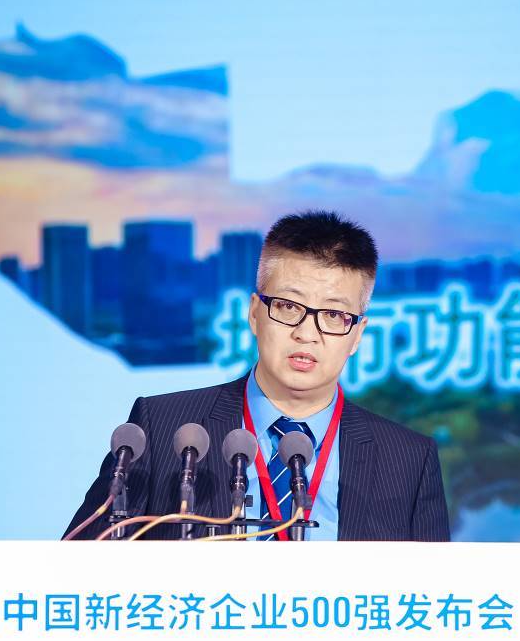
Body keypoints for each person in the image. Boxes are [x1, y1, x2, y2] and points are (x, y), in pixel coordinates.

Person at [62, 209, 450, 542]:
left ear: (357, 334)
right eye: (288, 306)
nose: (307, 333)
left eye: (334, 315)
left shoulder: (408, 460)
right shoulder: (162, 429)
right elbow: (75, 570)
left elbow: (436, 595)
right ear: (254, 313)